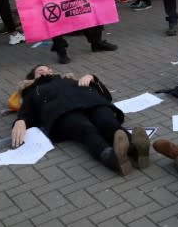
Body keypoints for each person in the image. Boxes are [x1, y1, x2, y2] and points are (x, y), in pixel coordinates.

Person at [11, 65, 150, 175]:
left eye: (48, 69)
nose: (46, 71)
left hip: (92, 103)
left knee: (108, 122)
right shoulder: (33, 90)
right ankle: (111, 157)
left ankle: (136, 149)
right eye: (40, 71)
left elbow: (106, 96)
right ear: (32, 78)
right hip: (63, 112)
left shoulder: (70, 80)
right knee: (86, 129)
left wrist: (93, 79)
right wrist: (20, 121)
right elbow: (26, 112)